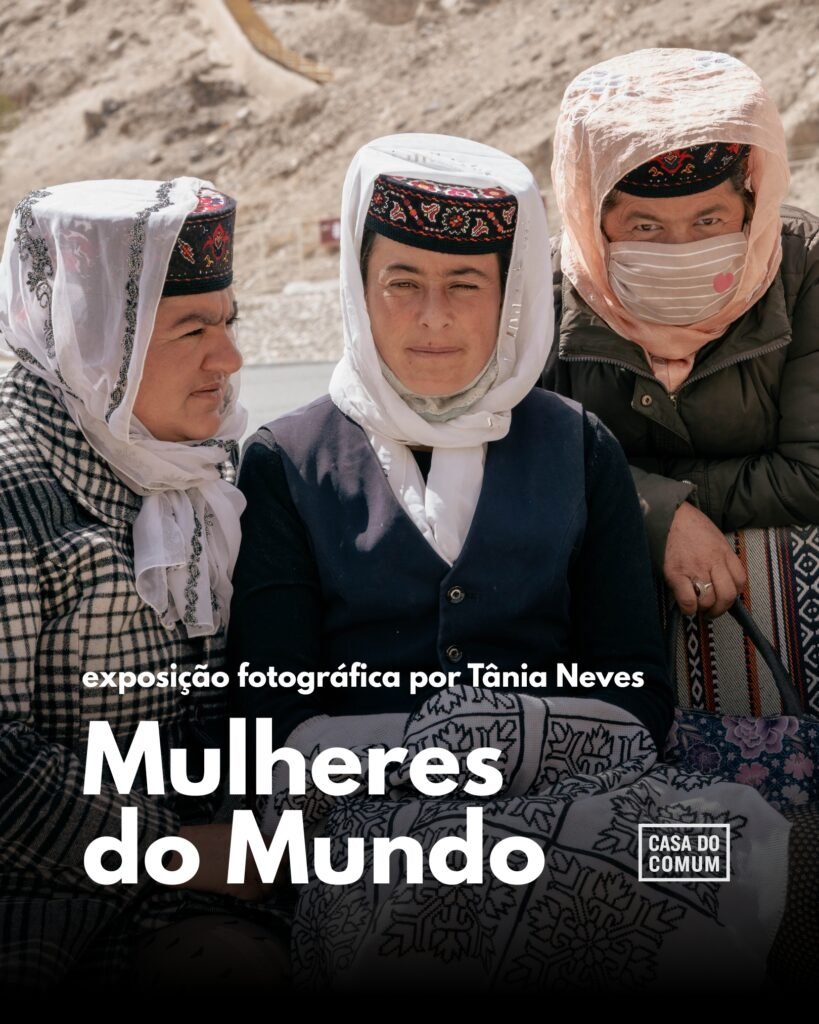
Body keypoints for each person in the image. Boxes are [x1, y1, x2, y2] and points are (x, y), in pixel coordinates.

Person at [228, 134, 789, 991]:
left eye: (465, 285)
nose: (432, 317)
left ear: (509, 295)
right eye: (401, 284)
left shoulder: (576, 446)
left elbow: (636, 701)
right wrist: (446, 750)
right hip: (370, 823)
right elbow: (274, 720)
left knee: (738, 853)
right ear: (360, 289)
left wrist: (509, 745)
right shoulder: (285, 459)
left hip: (583, 791)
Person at [0, 178, 286, 987]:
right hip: (51, 901)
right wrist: (171, 848)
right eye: (192, 328)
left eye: (229, 322)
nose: (229, 359)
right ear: (95, 336)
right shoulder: (13, 487)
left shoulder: (214, 470)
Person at [545, 48, 819, 619]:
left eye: (710, 221)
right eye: (643, 226)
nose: (682, 250)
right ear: (594, 221)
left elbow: (812, 475)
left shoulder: (804, 268)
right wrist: (657, 511)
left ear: (749, 203)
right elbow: (518, 459)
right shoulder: (546, 293)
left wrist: (633, 492)